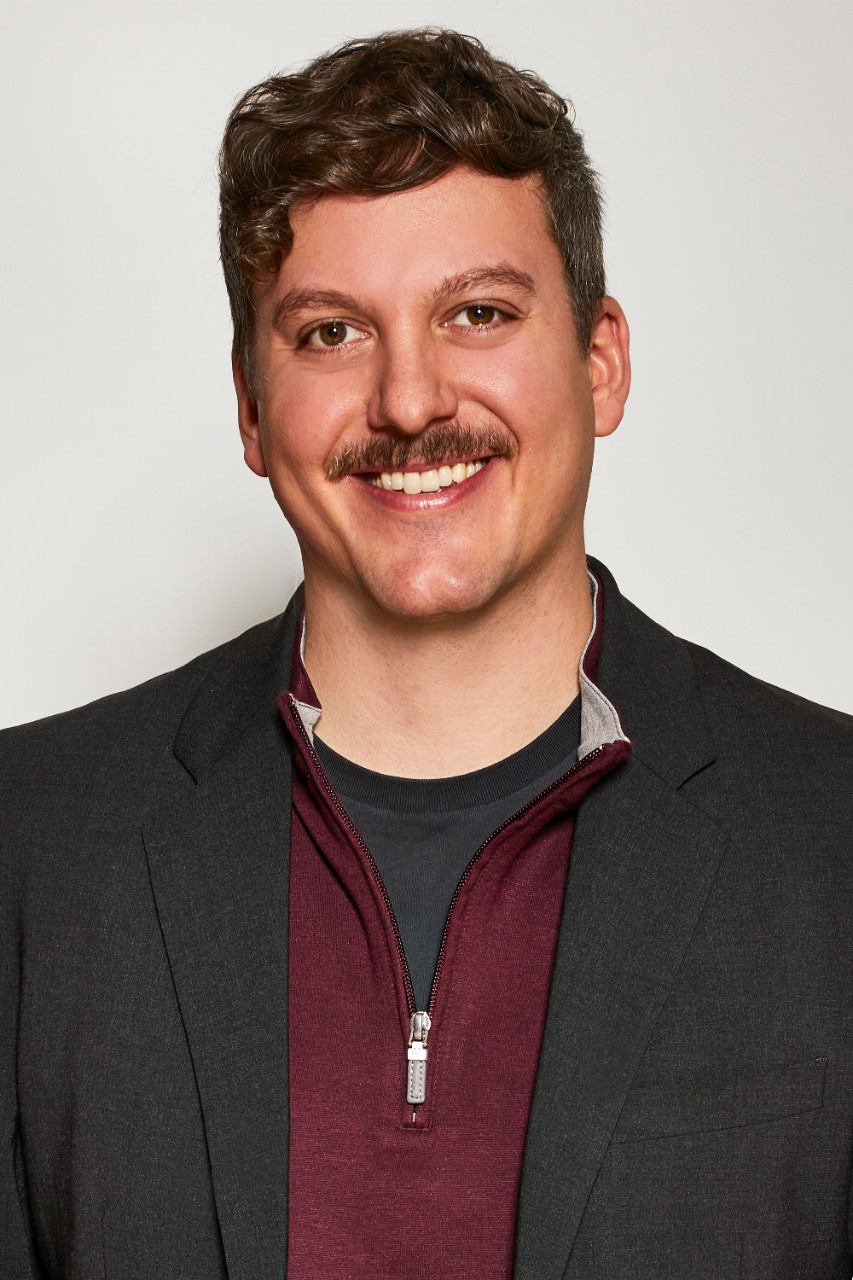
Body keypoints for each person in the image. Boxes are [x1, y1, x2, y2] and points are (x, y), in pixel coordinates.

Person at [2, 26, 851, 1280]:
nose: (410, 400)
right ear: (249, 405)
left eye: (479, 312)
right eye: (331, 334)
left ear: (601, 360)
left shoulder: (831, 830)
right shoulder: (31, 838)